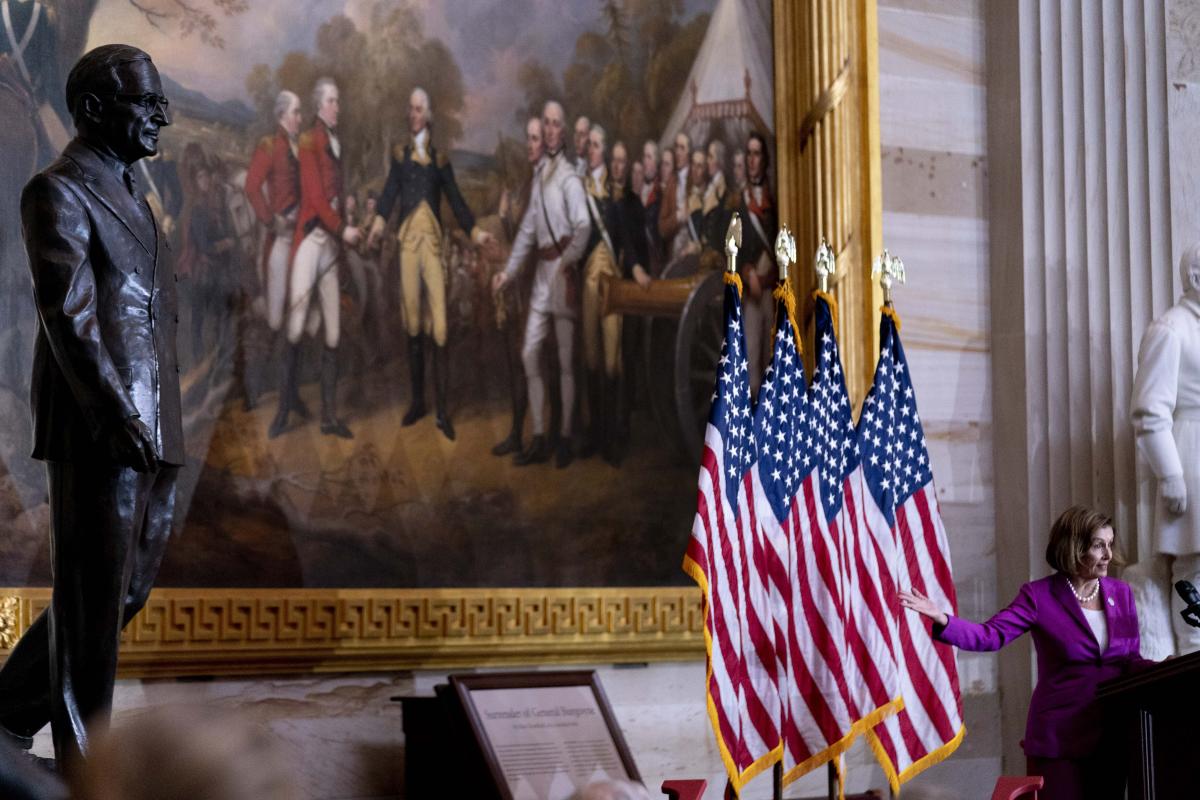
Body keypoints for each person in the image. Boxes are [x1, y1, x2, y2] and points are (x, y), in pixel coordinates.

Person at [0, 44, 183, 767]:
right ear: (96, 109)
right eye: (146, 102)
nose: (160, 115)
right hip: (100, 424)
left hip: (156, 421)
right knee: (90, 600)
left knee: (122, 593)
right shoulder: (59, 190)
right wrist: (114, 414)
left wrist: (157, 417)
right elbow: (68, 316)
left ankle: (5, 710)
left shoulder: (135, 192)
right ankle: (87, 767)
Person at [900, 506, 1154, 800]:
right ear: (1073, 546)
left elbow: (1130, 661)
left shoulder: (1120, 593)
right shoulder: (1039, 596)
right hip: (1060, 739)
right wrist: (943, 619)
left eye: (1110, 544)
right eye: (1099, 545)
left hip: (1112, 735)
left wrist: (1167, 668)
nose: (1109, 554)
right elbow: (990, 636)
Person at [365, 87, 491, 441]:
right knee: (412, 322)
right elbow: (389, 195)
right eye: (411, 109)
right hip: (407, 245)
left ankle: (442, 411)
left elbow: (456, 200)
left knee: (440, 325)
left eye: (419, 109)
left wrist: (477, 233)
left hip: (433, 246)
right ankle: (418, 402)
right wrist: (376, 225)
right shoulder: (400, 156)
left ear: (429, 116)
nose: (413, 114)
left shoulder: (440, 161)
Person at [492, 100, 590, 468]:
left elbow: (584, 228)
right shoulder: (538, 180)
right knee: (530, 353)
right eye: (544, 125)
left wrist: (568, 263)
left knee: (564, 361)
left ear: (561, 132)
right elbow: (527, 235)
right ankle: (537, 437)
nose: (549, 131)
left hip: (562, 273)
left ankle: (562, 438)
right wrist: (509, 272)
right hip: (540, 279)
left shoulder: (568, 178)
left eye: (553, 125)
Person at [277, 77, 360, 439]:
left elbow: (335, 195)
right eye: (332, 101)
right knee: (295, 328)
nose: (337, 106)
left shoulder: (336, 143)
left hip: (331, 246)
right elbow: (315, 196)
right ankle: (282, 411)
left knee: (334, 331)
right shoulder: (310, 141)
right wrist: (344, 228)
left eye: (337, 101)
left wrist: (346, 214)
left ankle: (328, 417)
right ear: (319, 106)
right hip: (311, 241)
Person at [1131, 242, 1200, 654]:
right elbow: (1149, 411)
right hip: (1192, 455)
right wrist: (1170, 474)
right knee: (1195, 565)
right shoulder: (1171, 329)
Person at [245, 90, 311, 429]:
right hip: (282, 241)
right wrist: (271, 220)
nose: (301, 117)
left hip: (305, 239)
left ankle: (292, 396)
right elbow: (252, 187)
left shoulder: (306, 149)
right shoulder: (270, 147)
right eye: (297, 112)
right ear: (283, 114)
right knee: (279, 323)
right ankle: (268, 397)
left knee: (301, 319)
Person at [736, 133, 777, 392]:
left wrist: (768, 277)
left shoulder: (775, 200)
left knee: (771, 357)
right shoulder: (738, 201)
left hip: (772, 288)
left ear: (764, 159)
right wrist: (748, 271)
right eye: (749, 154)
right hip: (750, 288)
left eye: (757, 154)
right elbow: (733, 245)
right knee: (751, 358)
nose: (752, 160)